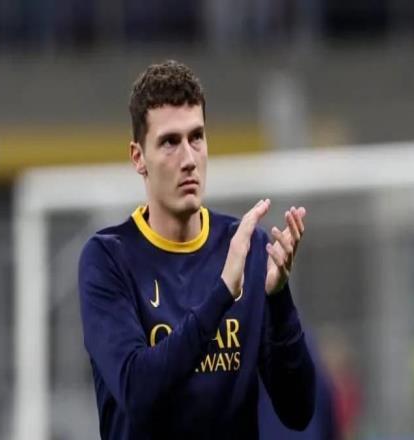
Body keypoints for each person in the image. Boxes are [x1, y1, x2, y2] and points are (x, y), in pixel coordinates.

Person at [78, 60, 315, 439]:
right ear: (138, 157)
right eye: (170, 142)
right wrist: (222, 294)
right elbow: (137, 392)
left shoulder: (245, 247)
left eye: (197, 137)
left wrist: (279, 299)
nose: (188, 159)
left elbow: (298, 410)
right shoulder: (108, 259)